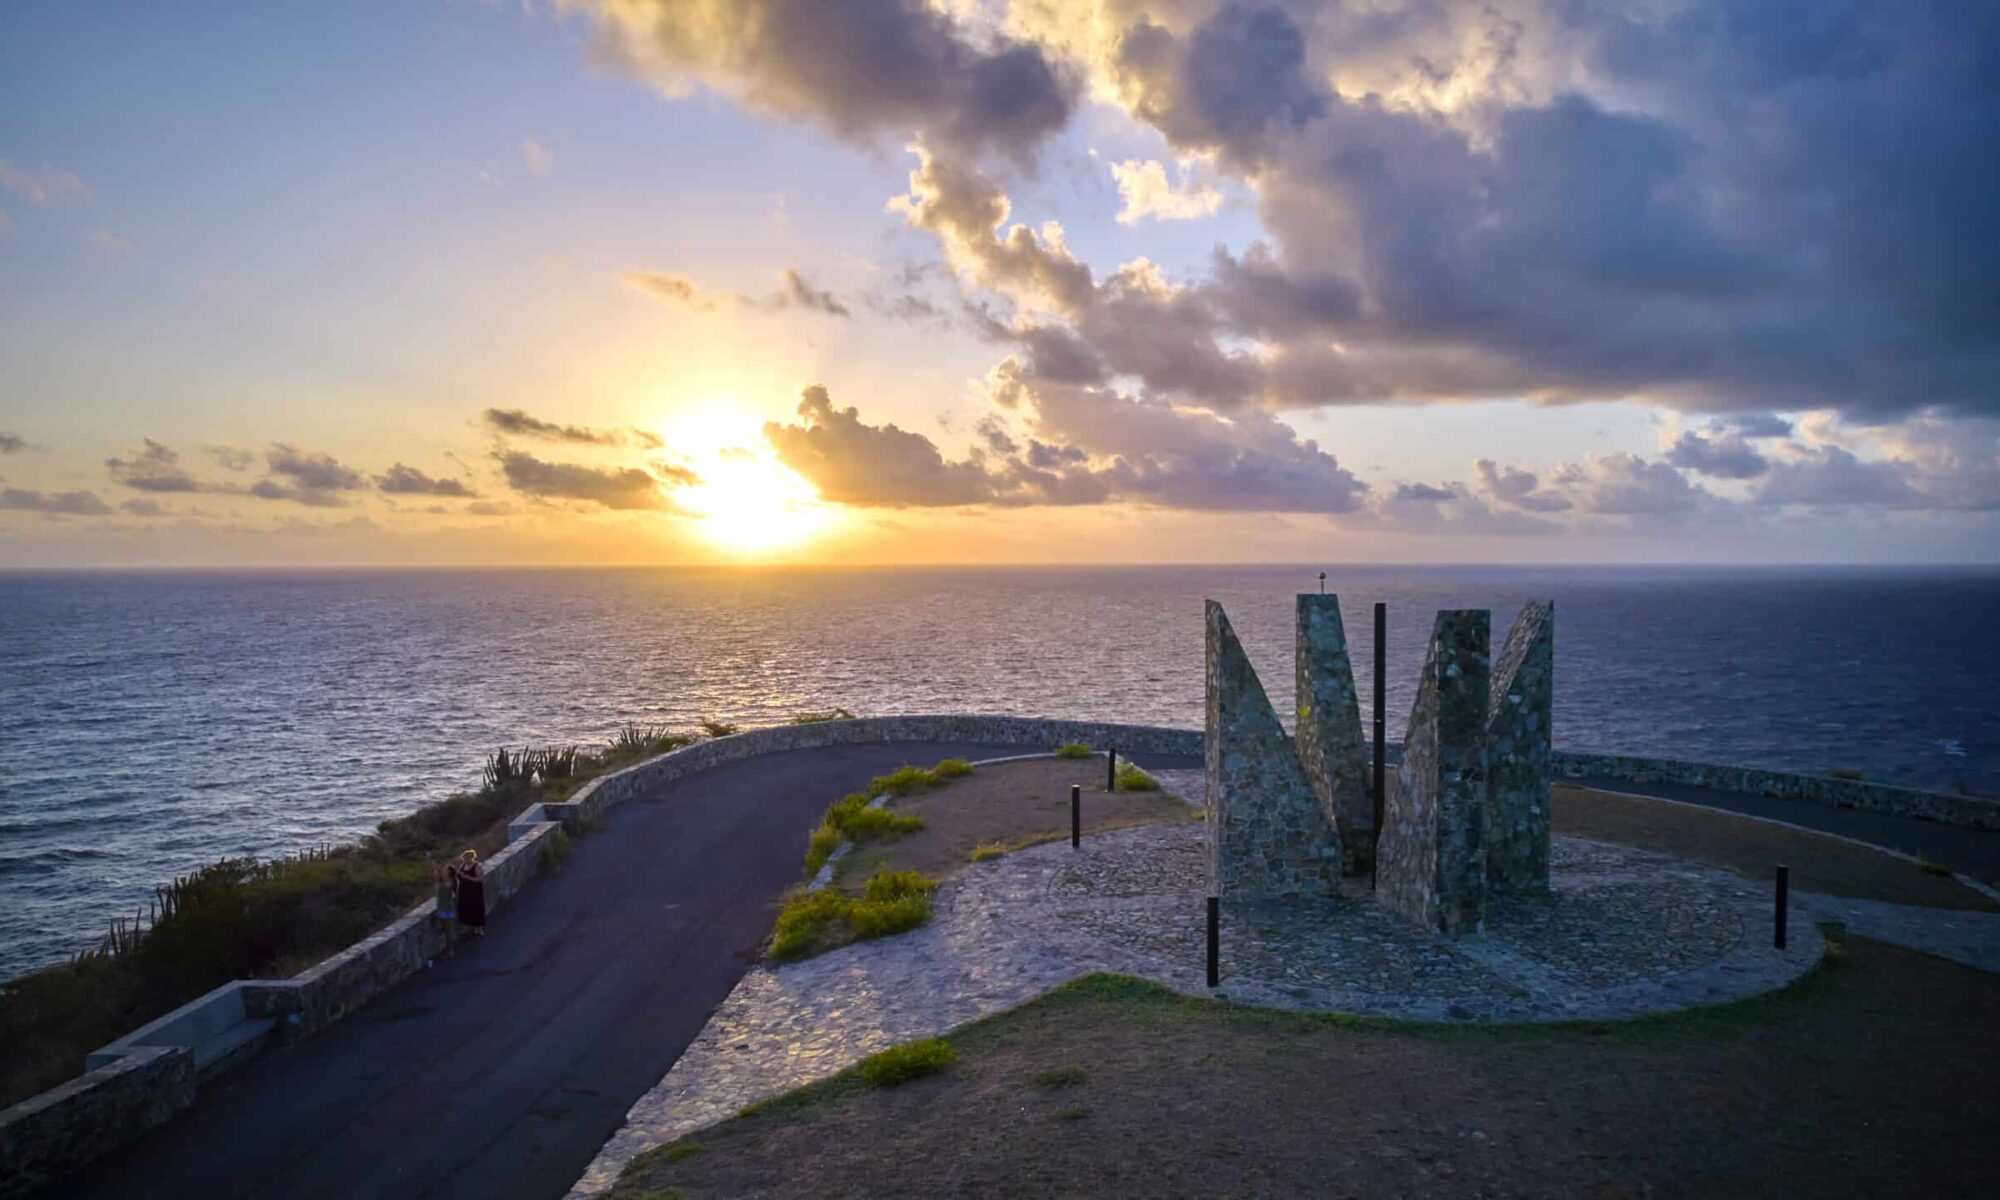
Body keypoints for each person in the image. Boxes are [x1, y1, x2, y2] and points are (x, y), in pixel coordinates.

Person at [452, 849, 487, 938]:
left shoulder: (477, 866)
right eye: (464, 859)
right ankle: (473, 929)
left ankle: (479, 930)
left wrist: (468, 878)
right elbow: (458, 874)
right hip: (465, 892)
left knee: (476, 910)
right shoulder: (463, 865)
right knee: (469, 909)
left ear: (472, 857)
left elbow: (481, 879)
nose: (465, 860)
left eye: (467, 858)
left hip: (475, 892)